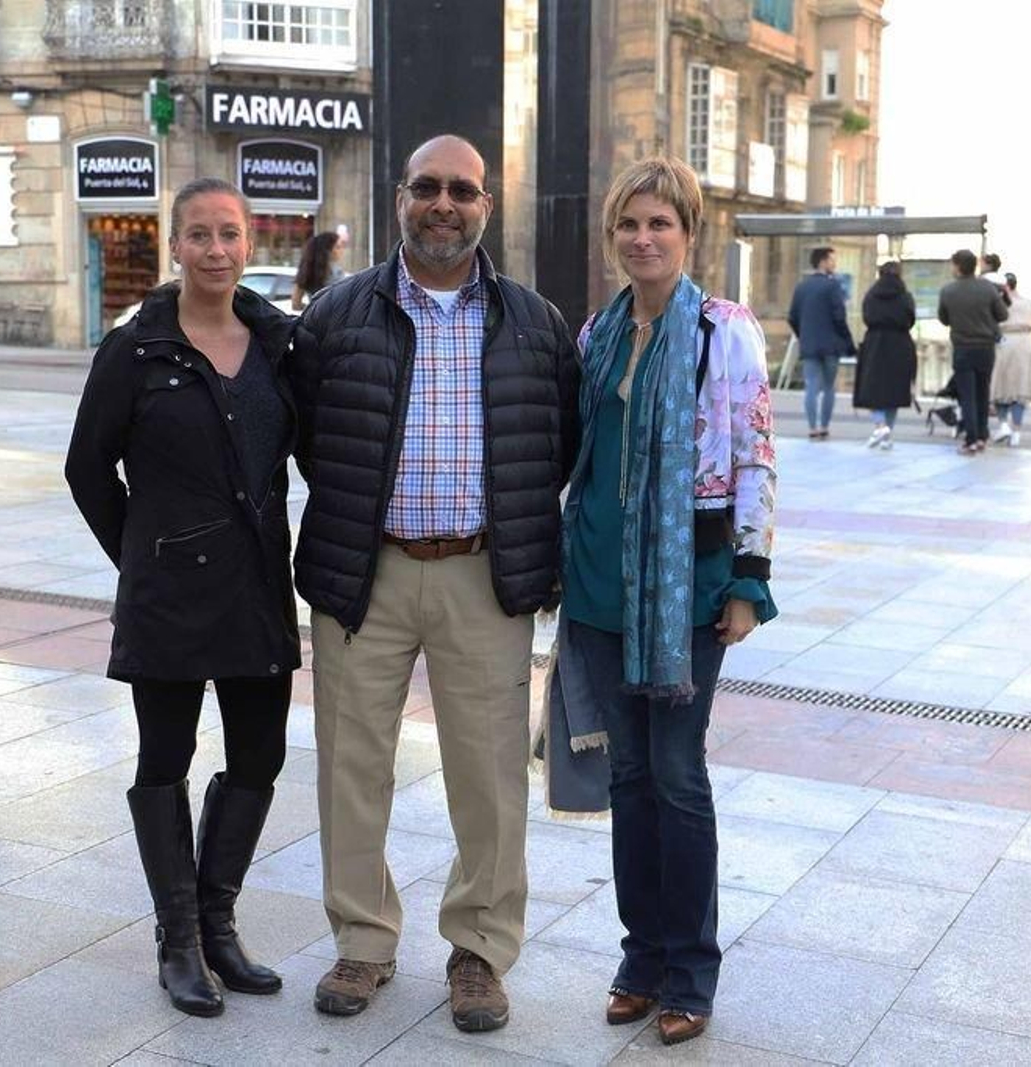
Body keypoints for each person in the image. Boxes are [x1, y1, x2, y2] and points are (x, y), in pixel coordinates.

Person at [290, 134, 581, 1031]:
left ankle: (480, 951)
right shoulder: (336, 316)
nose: (444, 203)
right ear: (401, 197)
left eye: (463, 189)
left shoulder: (535, 322)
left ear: (487, 204)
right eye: (428, 188)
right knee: (350, 766)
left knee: (491, 776)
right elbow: (309, 435)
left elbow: (558, 444)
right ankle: (364, 939)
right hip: (364, 573)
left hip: (483, 575)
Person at [547, 156, 775, 1047]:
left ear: (688, 234)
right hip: (601, 585)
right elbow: (583, 458)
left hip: (688, 586)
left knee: (678, 776)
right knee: (630, 774)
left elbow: (754, 453)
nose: (644, 239)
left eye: (661, 225)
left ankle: (690, 970)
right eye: (630, 225)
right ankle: (640, 960)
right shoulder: (597, 334)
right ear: (614, 238)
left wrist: (750, 578)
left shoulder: (725, 331)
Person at [65, 177, 300, 1019]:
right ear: (175, 246)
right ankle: (177, 941)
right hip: (168, 595)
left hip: (256, 590)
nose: (215, 249)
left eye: (229, 234)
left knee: (259, 757)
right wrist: (141, 554)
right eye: (198, 234)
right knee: (163, 759)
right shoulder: (134, 351)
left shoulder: (277, 345)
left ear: (249, 244)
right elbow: (87, 468)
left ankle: (217, 921)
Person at [937, 249, 1008, 454]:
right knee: (982, 392)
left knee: (967, 394)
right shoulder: (987, 288)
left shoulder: (948, 291)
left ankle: (971, 439)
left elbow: (944, 319)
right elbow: (1002, 314)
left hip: (962, 348)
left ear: (958, 266)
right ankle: (982, 436)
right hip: (986, 348)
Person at [787, 246, 855, 439]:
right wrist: (848, 342)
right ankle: (824, 426)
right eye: (832, 260)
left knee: (811, 386)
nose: (835, 264)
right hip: (831, 346)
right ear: (823, 261)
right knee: (828, 387)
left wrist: (803, 335)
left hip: (809, 345)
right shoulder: (833, 286)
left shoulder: (802, 287)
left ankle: (812, 428)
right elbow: (839, 317)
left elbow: (792, 316)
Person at [853, 261, 917, 450]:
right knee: (894, 392)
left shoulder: (871, 295)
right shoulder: (905, 296)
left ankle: (880, 425)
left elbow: (866, 317)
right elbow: (910, 319)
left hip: (875, 343)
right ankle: (888, 434)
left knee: (872, 389)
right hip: (900, 344)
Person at [990, 272, 1031, 446]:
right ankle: (1016, 431)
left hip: (1004, 343)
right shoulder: (1027, 303)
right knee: (1020, 390)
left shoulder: (1001, 303)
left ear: (1005, 286)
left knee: (1001, 389)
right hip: (1025, 346)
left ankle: (1004, 425)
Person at [292, 230, 348, 310]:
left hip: (316, 320)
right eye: (338, 247)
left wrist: (312, 310)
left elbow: (296, 304)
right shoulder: (336, 272)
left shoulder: (307, 271)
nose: (342, 251)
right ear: (327, 251)